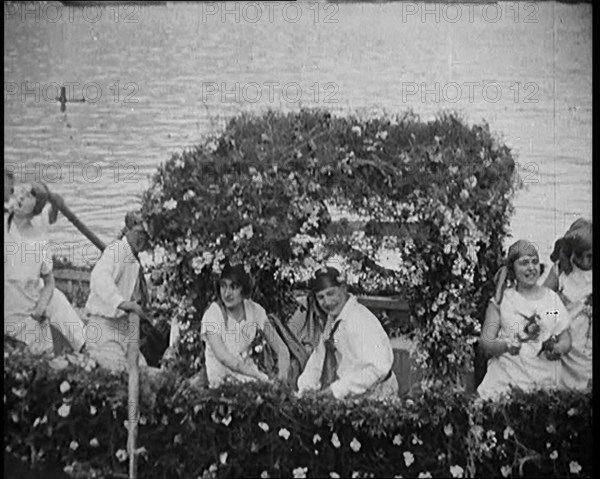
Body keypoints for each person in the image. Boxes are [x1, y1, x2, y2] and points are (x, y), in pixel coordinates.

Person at [477, 240, 572, 400]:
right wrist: (506, 346)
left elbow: (565, 338)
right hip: (506, 383)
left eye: (534, 262)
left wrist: (557, 349)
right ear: (512, 269)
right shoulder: (501, 301)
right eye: (524, 263)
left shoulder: (551, 299)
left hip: (544, 385)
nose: (531, 268)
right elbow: (485, 342)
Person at [4, 182, 86, 354]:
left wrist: (39, 308)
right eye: (21, 193)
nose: (20, 197)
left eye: (27, 197)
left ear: (36, 208)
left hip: (31, 305)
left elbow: (49, 281)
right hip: (11, 307)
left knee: (56, 299)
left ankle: (86, 347)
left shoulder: (39, 238)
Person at [297, 266, 398, 400]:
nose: (327, 302)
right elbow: (318, 360)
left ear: (344, 288)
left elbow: (377, 369)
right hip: (347, 396)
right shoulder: (332, 320)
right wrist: (305, 388)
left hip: (375, 398)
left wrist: (336, 390)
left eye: (331, 293)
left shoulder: (360, 320)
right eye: (321, 297)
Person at [200, 263, 291, 388]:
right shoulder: (213, 314)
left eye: (234, 287)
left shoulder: (254, 310)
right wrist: (258, 376)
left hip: (250, 383)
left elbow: (282, 350)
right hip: (221, 387)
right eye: (223, 286)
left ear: (244, 289)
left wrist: (282, 380)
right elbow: (224, 358)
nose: (227, 294)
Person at [83, 210, 152, 371]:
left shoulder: (134, 258)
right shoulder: (117, 251)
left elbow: (132, 287)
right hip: (104, 327)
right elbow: (99, 277)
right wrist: (122, 303)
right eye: (138, 233)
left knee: (142, 369)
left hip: (124, 330)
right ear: (126, 231)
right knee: (119, 373)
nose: (141, 238)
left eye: (145, 235)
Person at [544, 219, 592, 390]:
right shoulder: (561, 270)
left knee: (585, 376)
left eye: (591, 256)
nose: (586, 261)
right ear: (571, 252)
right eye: (580, 255)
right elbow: (542, 297)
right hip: (563, 333)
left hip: (585, 337)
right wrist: (556, 298)